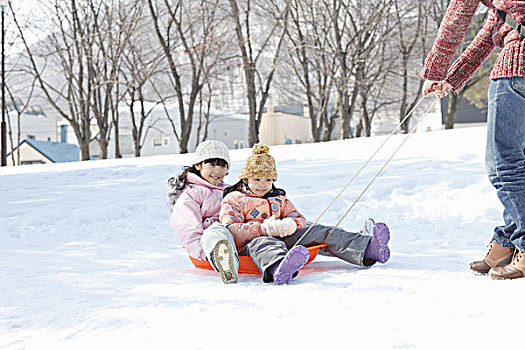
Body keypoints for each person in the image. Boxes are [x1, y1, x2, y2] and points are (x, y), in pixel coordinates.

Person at [421, 0, 525, 279]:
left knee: (504, 166)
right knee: (516, 165)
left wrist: (435, 71)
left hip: (518, 68)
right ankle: (507, 242)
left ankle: (523, 243)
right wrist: (451, 78)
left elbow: (458, 15)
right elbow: (498, 23)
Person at [220, 143, 391, 285]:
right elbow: (231, 229)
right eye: (257, 179)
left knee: (319, 231)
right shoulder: (234, 199)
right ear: (245, 179)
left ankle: (368, 249)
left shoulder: (278, 199)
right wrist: (265, 229)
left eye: (268, 180)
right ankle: (279, 268)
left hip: (284, 238)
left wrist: (291, 224)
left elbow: (299, 218)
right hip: (251, 246)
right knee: (264, 243)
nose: (263, 185)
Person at [167, 140, 240, 284]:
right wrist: (201, 253)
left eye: (222, 165)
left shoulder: (231, 191)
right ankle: (224, 262)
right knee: (215, 230)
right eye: (212, 164)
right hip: (210, 244)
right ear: (198, 165)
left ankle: (279, 253)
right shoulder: (191, 194)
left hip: (239, 234)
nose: (217, 170)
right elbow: (187, 226)